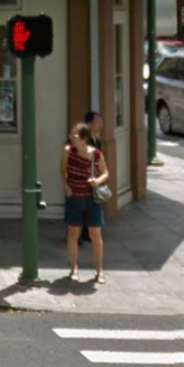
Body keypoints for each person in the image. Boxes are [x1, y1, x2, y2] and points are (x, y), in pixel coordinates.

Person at [61, 122, 109, 284]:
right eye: (71, 135)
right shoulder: (68, 151)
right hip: (74, 198)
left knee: (95, 234)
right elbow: (62, 171)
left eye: (74, 135)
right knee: (73, 233)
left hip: (91, 200)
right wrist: (66, 185)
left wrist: (97, 181)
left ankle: (99, 271)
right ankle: (73, 268)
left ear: (83, 138)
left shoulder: (96, 154)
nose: (71, 138)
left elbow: (105, 172)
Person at [78, 112, 105, 245]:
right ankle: (77, 234)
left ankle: (87, 233)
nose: (101, 125)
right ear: (89, 124)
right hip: (81, 177)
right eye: (98, 122)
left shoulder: (97, 141)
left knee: (91, 205)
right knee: (79, 206)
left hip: (93, 177)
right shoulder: (81, 139)